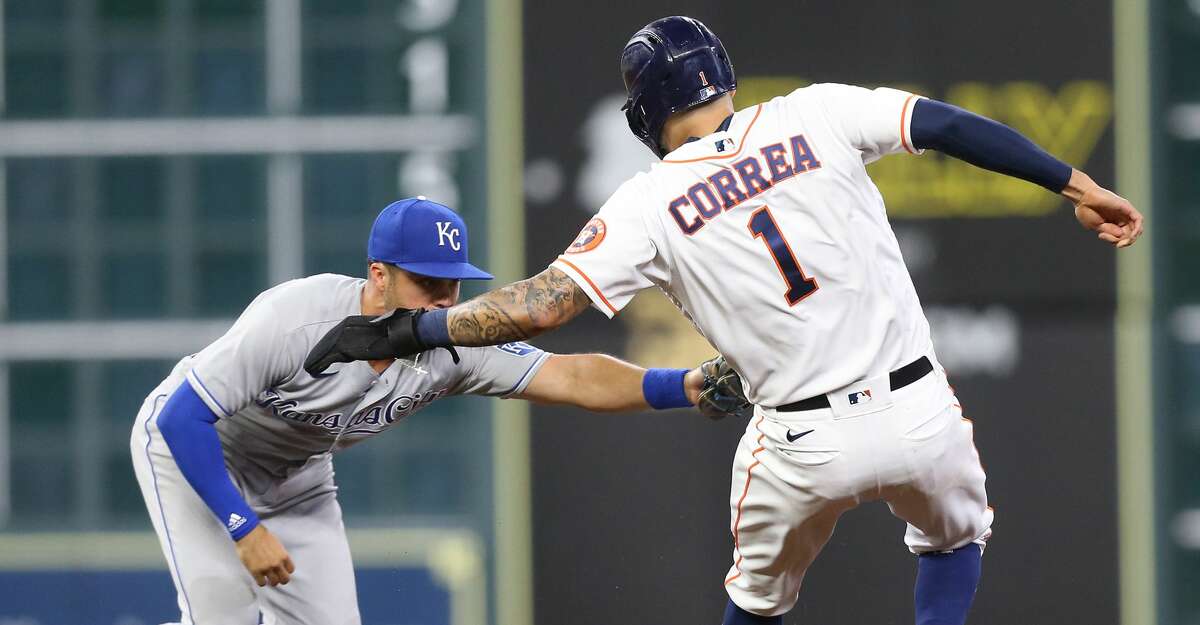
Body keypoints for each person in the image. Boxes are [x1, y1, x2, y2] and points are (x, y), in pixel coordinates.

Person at [306, 16, 1143, 625]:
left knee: (755, 600)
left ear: (643, 116)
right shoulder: (810, 112)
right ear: (724, 79)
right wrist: (1074, 184)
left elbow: (545, 304)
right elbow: (948, 125)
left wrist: (413, 331)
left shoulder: (647, 201)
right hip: (921, 411)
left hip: (801, 442)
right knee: (959, 536)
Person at [130, 196, 717, 625]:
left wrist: (684, 384)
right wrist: (243, 525)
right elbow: (181, 419)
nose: (442, 301)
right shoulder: (297, 318)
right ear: (378, 276)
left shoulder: (453, 345)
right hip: (198, 453)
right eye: (425, 283)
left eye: (452, 285)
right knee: (223, 620)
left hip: (297, 476)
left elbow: (572, 376)